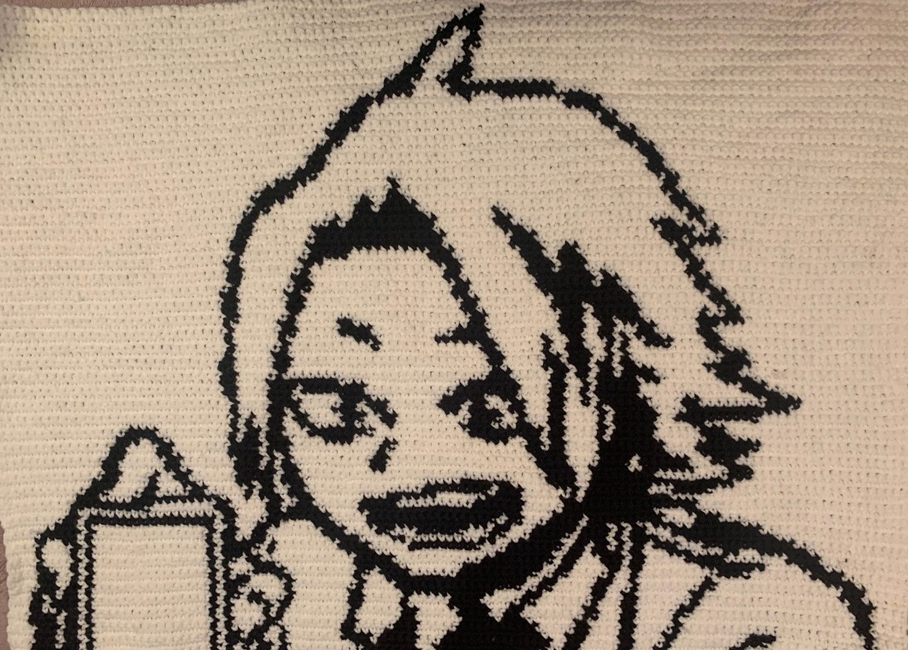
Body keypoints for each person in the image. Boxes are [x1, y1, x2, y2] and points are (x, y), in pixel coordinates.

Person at [31, 6, 876, 650]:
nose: (419, 467)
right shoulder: (290, 600)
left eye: (491, 409)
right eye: (336, 414)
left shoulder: (744, 614)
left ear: (624, 379)